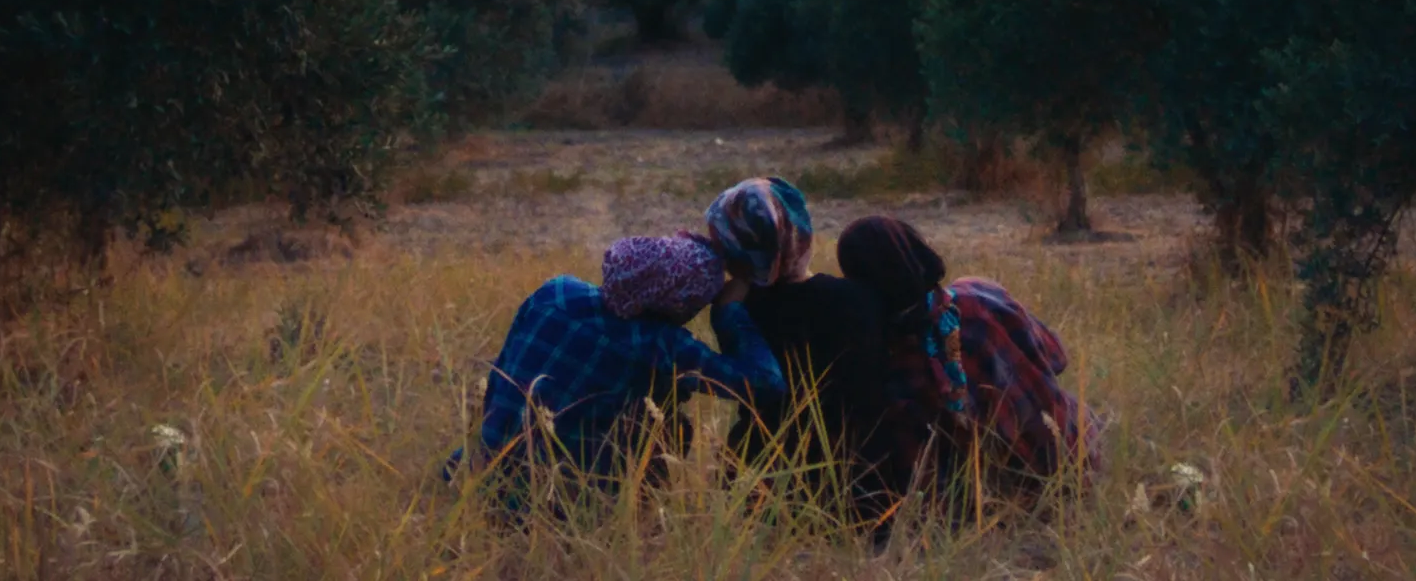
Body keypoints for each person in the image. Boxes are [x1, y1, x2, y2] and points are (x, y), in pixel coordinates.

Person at [447, 233, 785, 518]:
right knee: (672, 427)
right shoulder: (656, 344)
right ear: (681, 305)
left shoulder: (555, 293)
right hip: (546, 508)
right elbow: (765, 383)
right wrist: (729, 313)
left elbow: (498, 375)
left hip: (469, 475)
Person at [835, 215, 1110, 510]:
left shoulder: (892, 362)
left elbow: (918, 472)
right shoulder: (980, 295)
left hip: (1003, 500)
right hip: (1076, 457)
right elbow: (1056, 357)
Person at [704, 177, 895, 536]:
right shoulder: (859, 300)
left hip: (761, 493)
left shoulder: (739, 311)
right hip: (865, 494)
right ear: (801, 233)